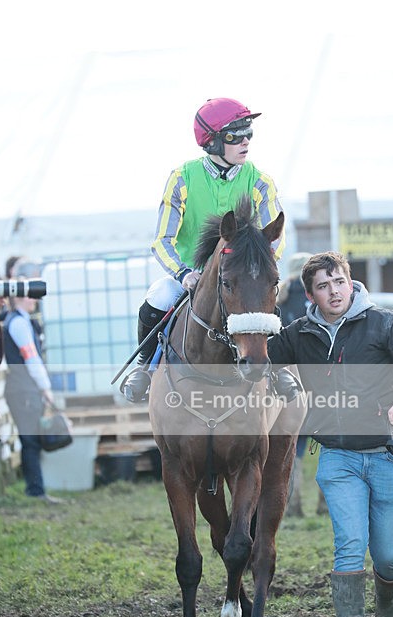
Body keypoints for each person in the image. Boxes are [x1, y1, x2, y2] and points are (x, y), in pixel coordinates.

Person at [268, 251, 393, 617]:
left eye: (339, 282)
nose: (334, 292)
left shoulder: (384, 323)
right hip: (337, 458)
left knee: (388, 556)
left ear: (351, 282)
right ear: (310, 294)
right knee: (349, 544)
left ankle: (387, 605)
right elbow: (253, 357)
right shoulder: (298, 334)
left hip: (388, 456)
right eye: (324, 286)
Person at [122, 97, 285, 402]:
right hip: (192, 275)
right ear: (212, 142)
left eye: (249, 132)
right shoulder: (182, 178)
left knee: (269, 301)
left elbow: (274, 238)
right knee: (157, 297)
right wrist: (183, 273)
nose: (246, 141)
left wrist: (257, 271)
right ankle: (145, 367)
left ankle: (281, 370)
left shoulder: (261, 182)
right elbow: (163, 240)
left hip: (242, 275)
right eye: (235, 135)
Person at [277, 252, 327, 517]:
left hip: (289, 383)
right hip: (319, 381)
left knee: (292, 446)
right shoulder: (319, 298)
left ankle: (292, 504)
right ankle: (325, 504)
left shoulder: (279, 299)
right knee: (329, 443)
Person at [3, 292, 63, 503]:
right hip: (24, 389)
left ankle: (35, 489)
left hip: (21, 388)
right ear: (18, 298)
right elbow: (31, 358)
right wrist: (45, 387)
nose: (35, 300)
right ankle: (35, 491)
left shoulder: (16, 320)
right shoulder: (19, 323)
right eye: (30, 296)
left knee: (30, 439)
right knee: (31, 441)